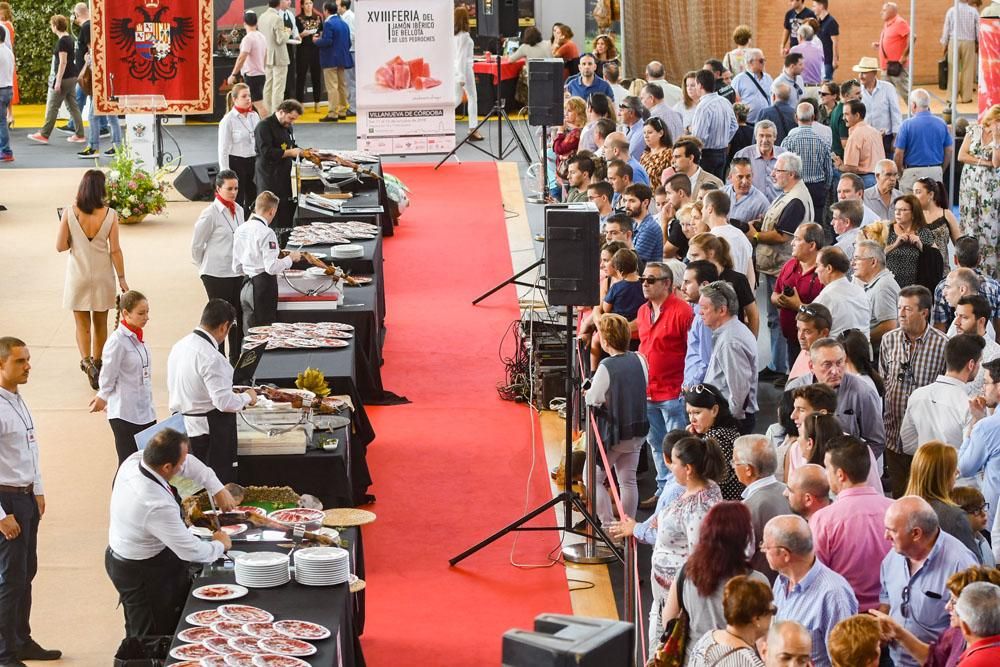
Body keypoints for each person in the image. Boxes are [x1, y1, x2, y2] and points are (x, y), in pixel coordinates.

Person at [106, 428, 235, 639]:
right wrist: (220, 544)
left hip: (135, 552)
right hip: (139, 569)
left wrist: (217, 488)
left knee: (159, 621)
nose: (185, 465)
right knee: (149, 634)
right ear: (167, 467)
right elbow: (191, 552)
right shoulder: (154, 503)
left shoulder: (137, 459)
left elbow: (189, 463)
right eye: (180, 462)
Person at [0, 338, 62, 665]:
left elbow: (30, 446)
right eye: (20, 361)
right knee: (9, 580)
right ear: (0, 365)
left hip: (25, 498)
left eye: (28, 360)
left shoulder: (17, 399)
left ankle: (21, 640)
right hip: (6, 502)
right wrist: (0, 516)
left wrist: (37, 489)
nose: (28, 367)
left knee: (26, 574)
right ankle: (4, 653)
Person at [879, 496, 979, 667]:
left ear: (916, 533)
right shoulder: (892, 557)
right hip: (894, 660)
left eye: (892, 530)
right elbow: (886, 601)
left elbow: (970, 631)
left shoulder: (961, 564)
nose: (885, 535)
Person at [647, 435, 725, 653]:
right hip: (667, 591)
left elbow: (698, 556)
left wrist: (678, 601)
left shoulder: (696, 507)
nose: (670, 467)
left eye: (674, 463)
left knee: (663, 649)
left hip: (675, 596)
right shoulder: (708, 488)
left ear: (688, 468)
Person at [167, 299, 258, 483]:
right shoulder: (212, 358)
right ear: (224, 326)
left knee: (188, 486)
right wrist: (247, 397)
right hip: (207, 432)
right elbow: (224, 403)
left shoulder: (179, 345)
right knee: (212, 484)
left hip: (180, 424)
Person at [56, 169, 127, 390]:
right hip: (103, 275)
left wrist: (73, 238)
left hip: (78, 275)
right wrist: (122, 278)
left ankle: (86, 363)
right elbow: (115, 250)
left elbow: (60, 246)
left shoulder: (69, 212)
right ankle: (99, 362)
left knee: (82, 325)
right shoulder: (110, 214)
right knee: (100, 324)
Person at [809, 435, 893, 612]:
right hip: (891, 615)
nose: (825, 474)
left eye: (827, 468)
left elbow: (816, 575)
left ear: (840, 475)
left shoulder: (823, 519)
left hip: (844, 615)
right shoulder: (896, 510)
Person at [765, 514, 858, 667]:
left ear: (785, 555)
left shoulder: (833, 594)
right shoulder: (781, 581)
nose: (763, 551)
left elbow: (845, 662)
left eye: (766, 547)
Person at [636, 262, 692, 507]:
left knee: (677, 447)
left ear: (667, 283)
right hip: (648, 391)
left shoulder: (683, 312)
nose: (645, 284)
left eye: (651, 280)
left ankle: (678, 494)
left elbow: (694, 351)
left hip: (673, 392)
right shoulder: (642, 311)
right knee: (656, 445)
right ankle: (662, 493)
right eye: (643, 279)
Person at [585, 314, 648, 528]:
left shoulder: (606, 366)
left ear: (605, 340)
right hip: (637, 429)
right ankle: (627, 526)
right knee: (627, 481)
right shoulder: (640, 358)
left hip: (615, 433)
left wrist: (587, 391)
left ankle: (608, 525)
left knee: (591, 477)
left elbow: (594, 398)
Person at [870, 566, 1000, 667]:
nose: (947, 606)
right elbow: (935, 660)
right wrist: (898, 632)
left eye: (954, 601)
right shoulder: (955, 633)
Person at [89, 291, 155, 465]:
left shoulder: (139, 338)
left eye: (147, 312)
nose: (146, 317)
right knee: (127, 464)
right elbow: (108, 374)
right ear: (126, 313)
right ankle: (118, 493)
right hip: (125, 414)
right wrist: (102, 396)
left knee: (147, 463)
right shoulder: (117, 341)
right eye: (141, 313)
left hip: (145, 411)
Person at [191, 170, 245, 363]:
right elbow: (196, 245)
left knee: (236, 315)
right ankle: (218, 358)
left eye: (236, 188)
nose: (233, 192)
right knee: (220, 316)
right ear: (218, 189)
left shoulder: (239, 210)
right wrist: (203, 266)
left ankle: (235, 357)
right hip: (215, 273)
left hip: (236, 271)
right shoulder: (210, 214)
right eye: (229, 188)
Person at [900, 335, 983, 461]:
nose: (979, 367)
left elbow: (907, 443)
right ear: (971, 364)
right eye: (979, 363)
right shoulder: (971, 406)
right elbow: (971, 455)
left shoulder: (918, 395)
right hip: (957, 477)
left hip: (924, 471)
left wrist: (931, 459)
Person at [233, 191, 301, 331]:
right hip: (262, 287)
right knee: (265, 330)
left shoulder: (240, 229)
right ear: (272, 211)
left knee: (249, 331)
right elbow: (272, 268)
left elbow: (236, 266)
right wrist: (291, 258)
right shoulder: (266, 232)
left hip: (245, 284)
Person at [700, 280, 759, 431]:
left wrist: (729, 423)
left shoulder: (730, 342)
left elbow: (739, 391)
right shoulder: (731, 332)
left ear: (722, 310)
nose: (700, 312)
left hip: (731, 421)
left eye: (704, 308)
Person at [906, 442, 981, 558]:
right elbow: (973, 567)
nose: (957, 472)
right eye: (953, 469)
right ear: (942, 475)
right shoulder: (955, 517)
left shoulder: (899, 510)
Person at [732, 435, 790, 581]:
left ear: (748, 470)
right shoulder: (790, 492)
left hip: (761, 588)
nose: (733, 466)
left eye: (735, 462)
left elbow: (740, 557)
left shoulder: (746, 508)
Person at [688, 575, 773, 667]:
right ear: (756, 618)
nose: (773, 616)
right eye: (772, 611)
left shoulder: (706, 639)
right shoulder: (750, 663)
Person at [25, 15, 84, 146]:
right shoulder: (70, 39)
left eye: (52, 25)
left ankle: (44, 134)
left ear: (56, 26)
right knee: (73, 107)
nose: (51, 27)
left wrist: (57, 81)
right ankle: (80, 134)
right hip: (72, 77)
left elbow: (62, 62)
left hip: (64, 78)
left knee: (53, 106)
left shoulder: (62, 42)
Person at [772, 223, 825, 364]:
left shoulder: (823, 273)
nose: (792, 242)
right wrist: (782, 300)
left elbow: (824, 315)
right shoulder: (789, 265)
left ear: (812, 245)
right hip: (792, 339)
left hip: (815, 346)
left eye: (797, 239)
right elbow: (774, 295)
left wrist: (798, 306)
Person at [958, 106, 1000, 279]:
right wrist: (983, 162)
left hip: (990, 189)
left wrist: (997, 138)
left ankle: (989, 274)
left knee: (989, 227)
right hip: (969, 187)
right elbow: (962, 155)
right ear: (992, 119)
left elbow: (996, 163)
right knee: (970, 225)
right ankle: (968, 268)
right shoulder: (974, 130)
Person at [688, 233, 758, 333]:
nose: (692, 261)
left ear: (711, 253)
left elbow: (752, 314)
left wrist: (752, 341)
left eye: (695, 256)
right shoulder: (697, 279)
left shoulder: (738, 279)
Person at [959, 358, 1000, 530]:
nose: (983, 388)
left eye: (986, 383)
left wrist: (974, 423)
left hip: (994, 518)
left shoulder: (987, 427)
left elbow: (965, 467)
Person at [683, 384, 744, 500]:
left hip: (722, 507)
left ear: (714, 410)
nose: (692, 419)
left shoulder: (717, 439)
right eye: (689, 413)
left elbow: (707, 480)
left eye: (697, 413)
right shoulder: (726, 430)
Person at [253, 98, 303, 228]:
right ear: (281, 112)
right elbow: (266, 152)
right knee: (269, 210)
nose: (291, 122)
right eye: (290, 118)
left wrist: (304, 153)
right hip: (268, 176)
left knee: (284, 210)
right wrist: (290, 153)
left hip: (283, 176)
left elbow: (291, 145)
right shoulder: (263, 126)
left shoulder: (287, 127)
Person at [894, 91, 954, 192]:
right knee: (933, 206)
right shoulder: (941, 123)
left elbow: (898, 153)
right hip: (935, 170)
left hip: (912, 172)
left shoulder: (906, 125)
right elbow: (949, 150)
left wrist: (900, 172)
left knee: (908, 206)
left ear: (913, 105)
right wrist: (941, 169)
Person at [781, 103, 832, 221]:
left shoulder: (788, 141)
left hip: (795, 186)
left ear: (796, 117)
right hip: (817, 187)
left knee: (795, 222)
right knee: (816, 221)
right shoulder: (822, 142)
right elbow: (828, 170)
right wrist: (825, 188)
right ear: (814, 117)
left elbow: (782, 168)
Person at [217, 84, 259, 215]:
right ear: (235, 99)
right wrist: (225, 172)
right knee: (238, 198)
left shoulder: (254, 116)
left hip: (253, 161)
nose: (248, 99)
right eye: (244, 96)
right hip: (236, 162)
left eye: (249, 96)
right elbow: (223, 149)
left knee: (254, 196)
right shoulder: (228, 120)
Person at [852, 240, 900, 353]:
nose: (852, 263)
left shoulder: (882, 287)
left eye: (857, 258)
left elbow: (889, 327)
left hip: (879, 356)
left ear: (873, 262)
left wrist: (859, 340)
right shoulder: (877, 284)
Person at [690, 70, 738, 179]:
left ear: (700, 85)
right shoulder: (724, 101)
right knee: (719, 186)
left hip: (707, 155)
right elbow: (734, 126)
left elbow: (699, 137)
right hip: (722, 152)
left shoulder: (703, 106)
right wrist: (724, 139)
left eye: (695, 84)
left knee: (707, 190)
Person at [813, 247, 870, 338]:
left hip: (835, 350)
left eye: (817, 266)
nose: (816, 271)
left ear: (829, 268)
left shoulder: (825, 297)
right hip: (863, 350)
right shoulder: (861, 291)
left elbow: (813, 333)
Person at [885, 193, 936, 289]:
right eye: (896, 209)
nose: (897, 213)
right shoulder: (887, 230)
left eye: (903, 210)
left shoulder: (923, 232)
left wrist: (921, 246)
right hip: (889, 286)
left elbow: (936, 258)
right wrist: (894, 245)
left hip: (915, 288)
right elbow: (875, 255)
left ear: (913, 213)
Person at [681, 260, 718, 390]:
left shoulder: (704, 318)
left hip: (698, 388)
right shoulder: (697, 312)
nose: (682, 288)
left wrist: (691, 385)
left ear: (704, 285)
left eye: (688, 282)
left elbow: (707, 360)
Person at [832, 100, 885, 189]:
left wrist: (839, 166)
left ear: (857, 115)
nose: (843, 118)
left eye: (846, 114)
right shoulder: (875, 132)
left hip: (865, 182)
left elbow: (851, 168)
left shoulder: (855, 135)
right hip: (879, 180)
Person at [954, 295, 1000, 396]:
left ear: (981, 321)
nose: (956, 323)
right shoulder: (953, 346)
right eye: (956, 315)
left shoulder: (995, 355)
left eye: (964, 317)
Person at [315, 1, 352, 123]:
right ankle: (342, 111)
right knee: (342, 85)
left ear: (326, 11)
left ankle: (333, 113)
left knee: (332, 87)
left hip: (330, 59)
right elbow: (349, 42)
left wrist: (316, 41)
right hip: (342, 59)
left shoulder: (328, 23)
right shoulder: (343, 23)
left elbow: (327, 41)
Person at [227, 11, 268, 117]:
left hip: (252, 76)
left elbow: (241, 58)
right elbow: (265, 55)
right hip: (260, 74)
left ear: (244, 23)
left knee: (258, 105)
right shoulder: (261, 37)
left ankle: (268, 130)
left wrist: (233, 74)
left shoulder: (248, 39)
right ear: (257, 22)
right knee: (253, 104)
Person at [915, 179, 962, 268]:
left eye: (918, 192)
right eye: (913, 192)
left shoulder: (946, 214)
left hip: (942, 270)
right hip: (919, 272)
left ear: (931, 194)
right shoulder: (913, 215)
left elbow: (960, 244)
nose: (914, 196)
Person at [942, 0, 980, 105]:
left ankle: (951, 97)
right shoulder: (974, 11)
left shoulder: (951, 11)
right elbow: (978, 29)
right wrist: (979, 43)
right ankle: (966, 97)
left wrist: (944, 43)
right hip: (969, 42)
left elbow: (946, 28)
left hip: (954, 41)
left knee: (952, 69)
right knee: (968, 69)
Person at [258, 0, 291, 117]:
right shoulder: (277, 18)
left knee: (268, 86)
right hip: (279, 57)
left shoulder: (261, 17)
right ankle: (277, 115)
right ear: (279, 4)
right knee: (278, 88)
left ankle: (267, 115)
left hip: (267, 55)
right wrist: (288, 32)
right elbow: (280, 39)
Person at [872, 3, 911, 98]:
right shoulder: (888, 24)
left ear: (892, 11)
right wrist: (880, 45)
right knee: (886, 95)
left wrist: (904, 56)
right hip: (886, 67)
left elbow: (912, 37)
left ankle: (919, 111)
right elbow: (893, 40)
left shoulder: (899, 22)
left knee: (905, 93)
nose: (881, 12)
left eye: (884, 10)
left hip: (897, 67)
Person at [952, 487, 996, 568]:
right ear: (959, 515)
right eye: (976, 510)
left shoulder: (983, 541)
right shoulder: (960, 550)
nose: (984, 514)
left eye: (983, 507)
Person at [621, 183, 663, 263]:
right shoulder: (635, 224)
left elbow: (633, 262)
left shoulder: (649, 228)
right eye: (625, 201)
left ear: (645, 203)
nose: (627, 205)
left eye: (632, 201)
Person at [724, 157, 770, 228]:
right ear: (730, 176)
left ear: (752, 175)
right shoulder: (721, 194)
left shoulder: (762, 203)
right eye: (740, 177)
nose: (745, 181)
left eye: (748, 176)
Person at [295, 0, 323, 109]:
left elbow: (322, 32)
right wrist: (302, 34)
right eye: (306, 3)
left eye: (310, 3)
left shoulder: (318, 17)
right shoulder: (298, 19)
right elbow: (295, 35)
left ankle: (317, 102)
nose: (309, 5)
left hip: (316, 49)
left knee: (316, 76)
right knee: (301, 77)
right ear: (302, 5)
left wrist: (319, 37)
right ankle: (300, 103)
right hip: (302, 49)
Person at [731, 49, 773, 123]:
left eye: (764, 60)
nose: (763, 63)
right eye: (761, 61)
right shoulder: (739, 79)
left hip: (766, 122)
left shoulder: (768, 78)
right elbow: (734, 102)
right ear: (750, 62)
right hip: (747, 123)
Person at [639, 117, 672, 191]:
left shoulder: (669, 154)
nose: (646, 136)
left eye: (650, 132)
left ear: (661, 133)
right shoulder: (644, 155)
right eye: (644, 133)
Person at [813, 0, 840, 80]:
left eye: (814, 6)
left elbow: (835, 42)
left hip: (827, 61)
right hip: (819, 61)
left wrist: (835, 60)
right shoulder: (819, 22)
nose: (813, 8)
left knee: (827, 85)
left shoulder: (831, 22)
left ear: (821, 6)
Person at [0, 27, 10, 163]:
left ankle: (6, 150)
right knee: (2, 121)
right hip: (7, 88)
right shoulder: (8, 51)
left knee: (1, 122)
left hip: (1, 89)